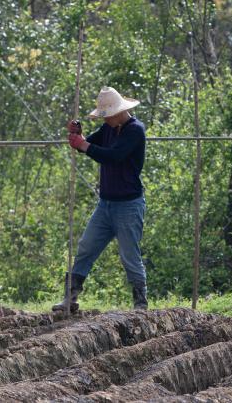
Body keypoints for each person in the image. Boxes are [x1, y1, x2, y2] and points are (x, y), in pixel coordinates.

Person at [54, 86, 148, 312]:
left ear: (119, 111)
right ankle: (70, 297)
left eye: (108, 115)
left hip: (128, 205)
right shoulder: (108, 128)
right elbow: (88, 145)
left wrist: (83, 145)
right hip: (106, 204)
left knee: (129, 255)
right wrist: (78, 136)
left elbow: (113, 156)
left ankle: (140, 303)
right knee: (86, 247)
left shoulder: (135, 130)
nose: (105, 119)